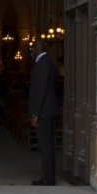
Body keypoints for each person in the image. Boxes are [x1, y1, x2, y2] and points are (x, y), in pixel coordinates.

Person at [28, 39, 59, 186]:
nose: (32, 51)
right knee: (50, 146)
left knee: (45, 146)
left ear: (37, 48)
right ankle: (50, 176)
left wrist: (35, 114)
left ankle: (48, 178)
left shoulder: (41, 64)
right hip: (50, 111)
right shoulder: (50, 62)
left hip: (44, 113)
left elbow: (40, 91)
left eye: (33, 48)